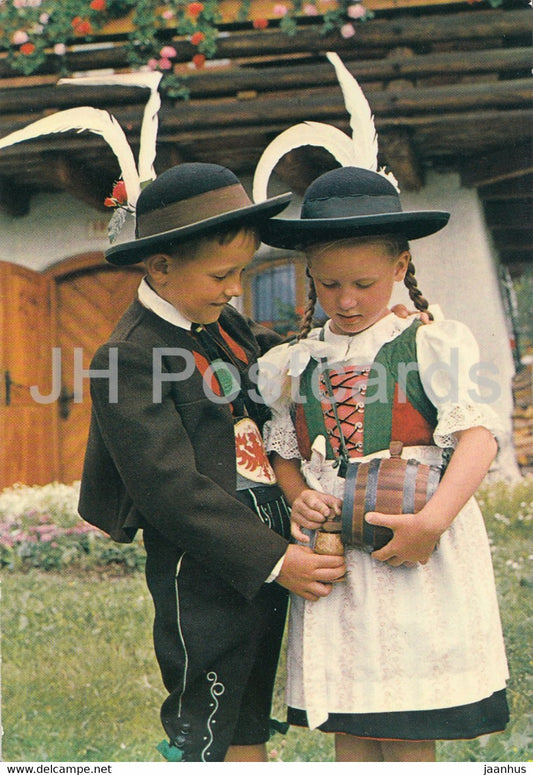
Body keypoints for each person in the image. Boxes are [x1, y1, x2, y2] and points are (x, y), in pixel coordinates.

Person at [77, 162, 347, 763]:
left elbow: (288, 360)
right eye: (222, 275)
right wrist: (277, 560)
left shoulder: (224, 323)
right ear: (160, 267)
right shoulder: (128, 357)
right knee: (207, 719)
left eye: (242, 273)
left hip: (265, 548)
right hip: (203, 567)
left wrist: (368, 333)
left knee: (247, 714)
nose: (235, 288)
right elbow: (168, 488)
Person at [256, 165, 510, 762]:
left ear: (400, 267)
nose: (346, 300)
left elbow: (478, 440)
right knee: (353, 718)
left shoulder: (431, 342)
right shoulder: (295, 360)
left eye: (364, 284)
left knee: (405, 721)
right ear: (310, 275)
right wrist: (297, 494)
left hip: (416, 546)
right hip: (337, 558)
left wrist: (431, 524)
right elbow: (283, 448)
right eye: (329, 284)